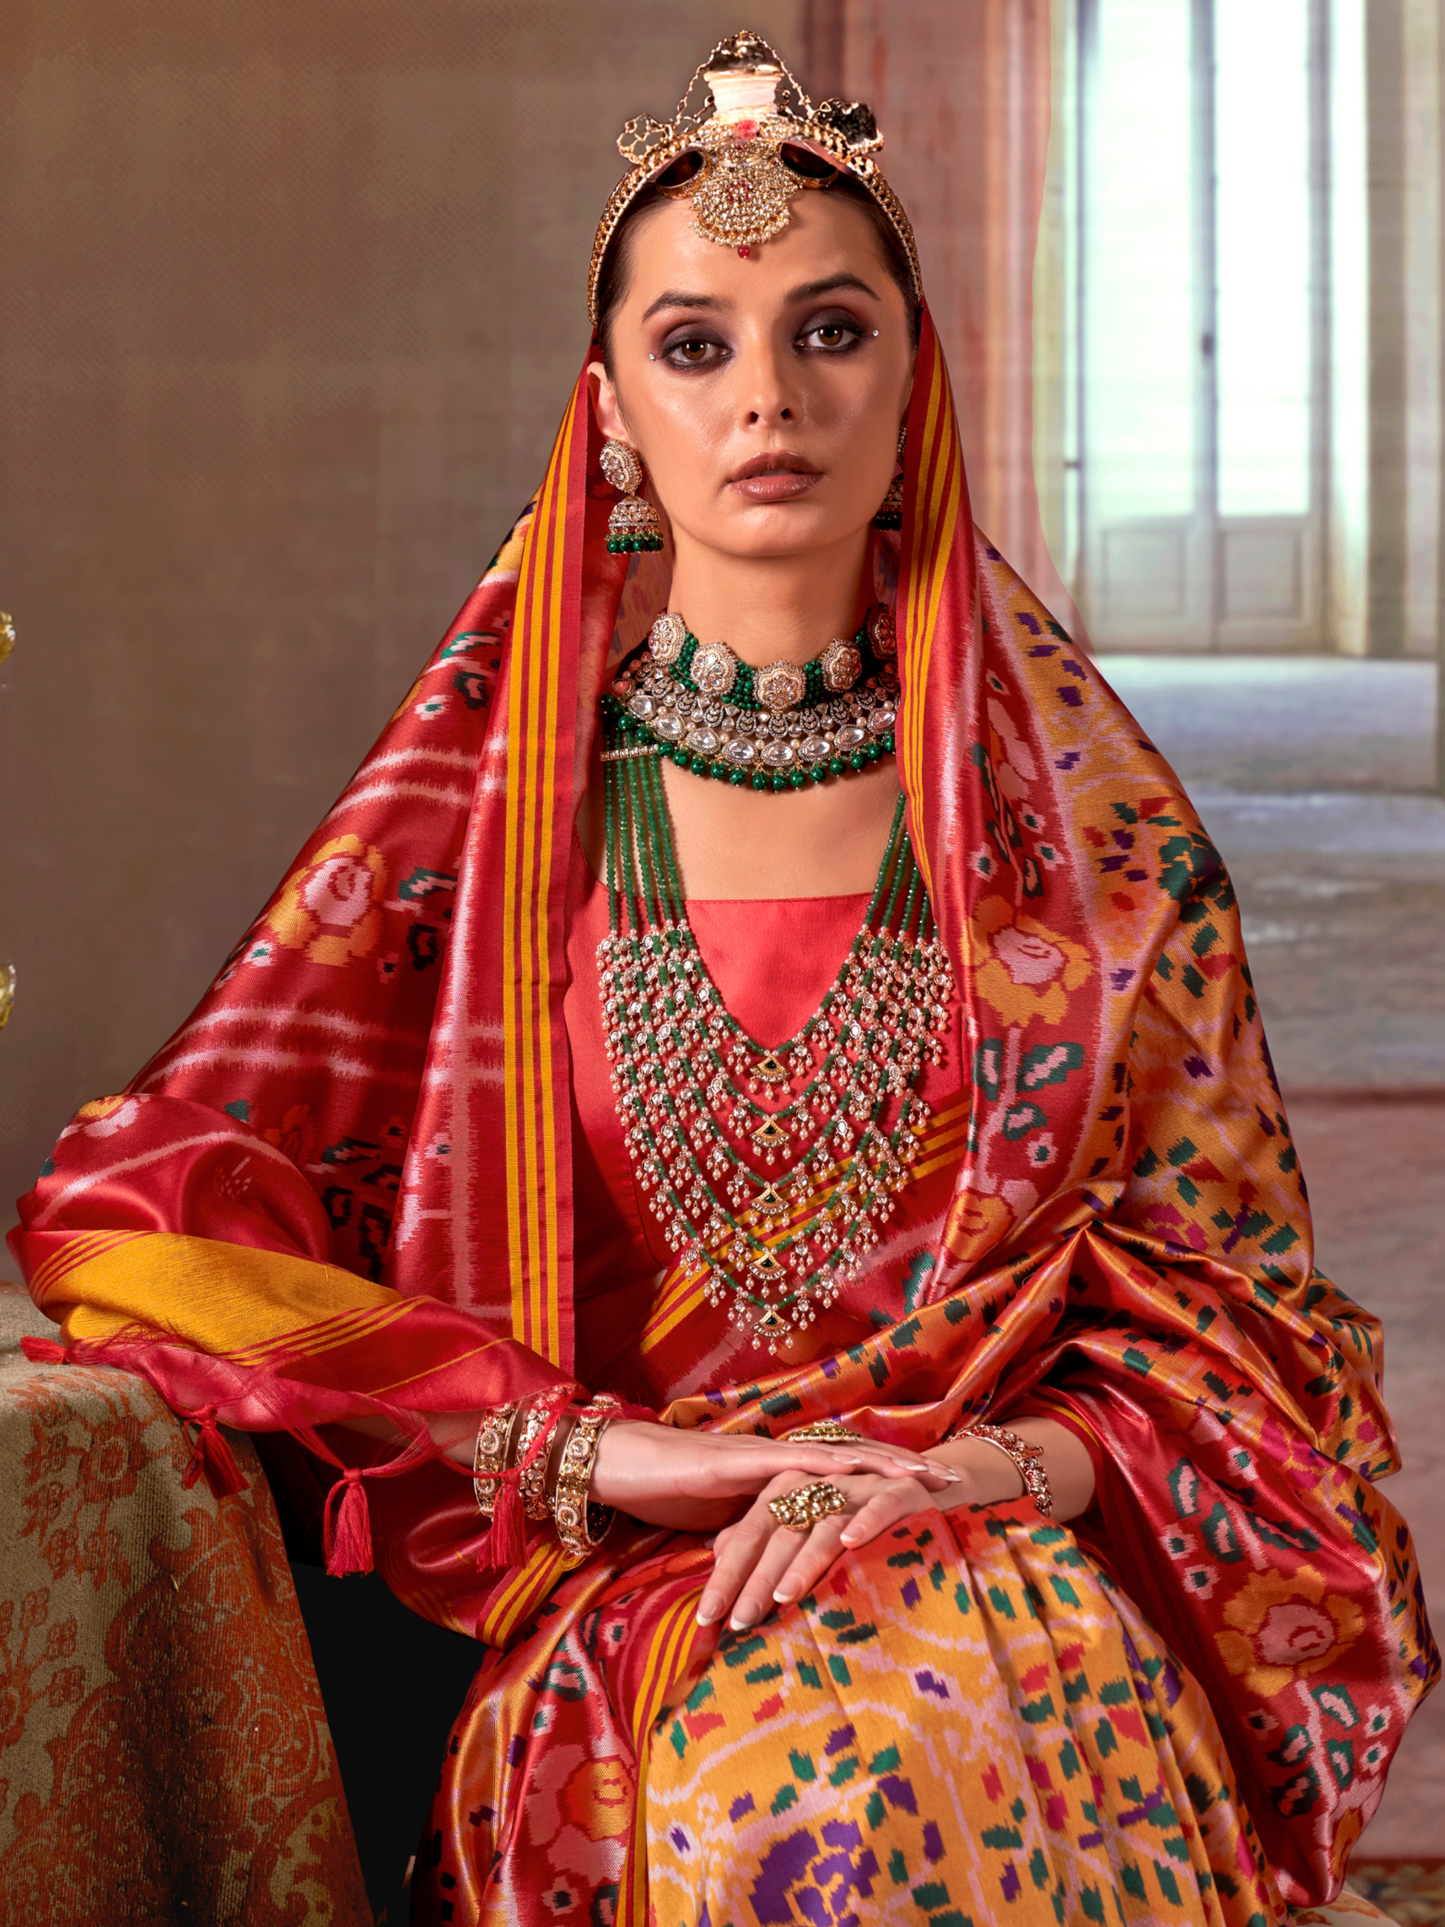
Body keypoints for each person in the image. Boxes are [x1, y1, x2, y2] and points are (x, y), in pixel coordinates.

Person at [9, 32, 1434, 1927]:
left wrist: (969, 1479)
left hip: (995, 1551)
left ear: (916, 371)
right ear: (609, 409)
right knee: (808, 1799)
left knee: (967, 1734)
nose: (768, 395)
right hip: (637, 1590)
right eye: (696, 344)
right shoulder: (491, 821)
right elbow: (129, 1218)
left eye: (830, 330)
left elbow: (1246, 1342)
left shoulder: (1083, 843)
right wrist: (602, 1453)